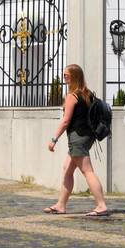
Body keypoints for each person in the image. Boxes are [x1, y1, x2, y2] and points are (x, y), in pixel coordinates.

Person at [44, 64, 109, 218]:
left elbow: (66, 121)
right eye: (64, 74)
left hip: (77, 137)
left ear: (74, 76)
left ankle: (101, 205)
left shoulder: (72, 96)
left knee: (87, 171)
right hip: (88, 136)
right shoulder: (87, 94)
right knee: (67, 168)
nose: (64, 77)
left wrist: (54, 140)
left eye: (66, 75)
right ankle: (61, 205)